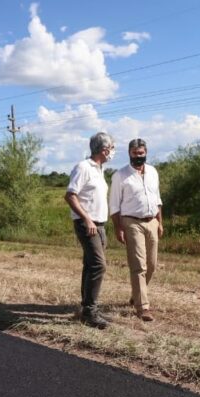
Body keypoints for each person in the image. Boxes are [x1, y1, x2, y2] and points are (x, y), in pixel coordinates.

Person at [64, 132, 115, 329]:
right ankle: (90, 311)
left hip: (100, 224)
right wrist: (87, 219)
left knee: (90, 265)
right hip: (88, 225)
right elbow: (70, 195)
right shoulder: (83, 167)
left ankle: (86, 309)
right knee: (98, 265)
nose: (112, 152)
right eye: (111, 148)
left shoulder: (100, 169)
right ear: (104, 149)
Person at [109, 138, 163, 322]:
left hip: (152, 221)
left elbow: (157, 199)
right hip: (131, 222)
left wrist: (160, 222)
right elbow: (114, 205)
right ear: (129, 153)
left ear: (146, 152)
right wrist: (118, 228)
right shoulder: (120, 175)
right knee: (138, 265)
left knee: (152, 265)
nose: (138, 156)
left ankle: (136, 295)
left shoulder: (153, 172)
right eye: (135, 153)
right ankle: (143, 307)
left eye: (141, 153)